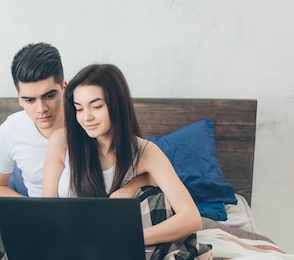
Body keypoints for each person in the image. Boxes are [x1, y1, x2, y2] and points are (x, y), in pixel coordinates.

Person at [42, 63, 202, 245]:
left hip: (114, 247)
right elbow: (48, 210)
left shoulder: (144, 151)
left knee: (157, 201)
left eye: (96, 106)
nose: (86, 117)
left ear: (117, 105)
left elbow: (191, 218)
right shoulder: (61, 141)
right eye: (79, 108)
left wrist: (126, 239)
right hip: (67, 241)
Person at [0, 43, 150, 198]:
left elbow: (139, 165)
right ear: (19, 99)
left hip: (95, 209)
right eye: (29, 100)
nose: (41, 109)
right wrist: (32, 210)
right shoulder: (10, 130)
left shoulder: (90, 122)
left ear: (65, 87)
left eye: (49, 96)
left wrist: (128, 189)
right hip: (41, 213)